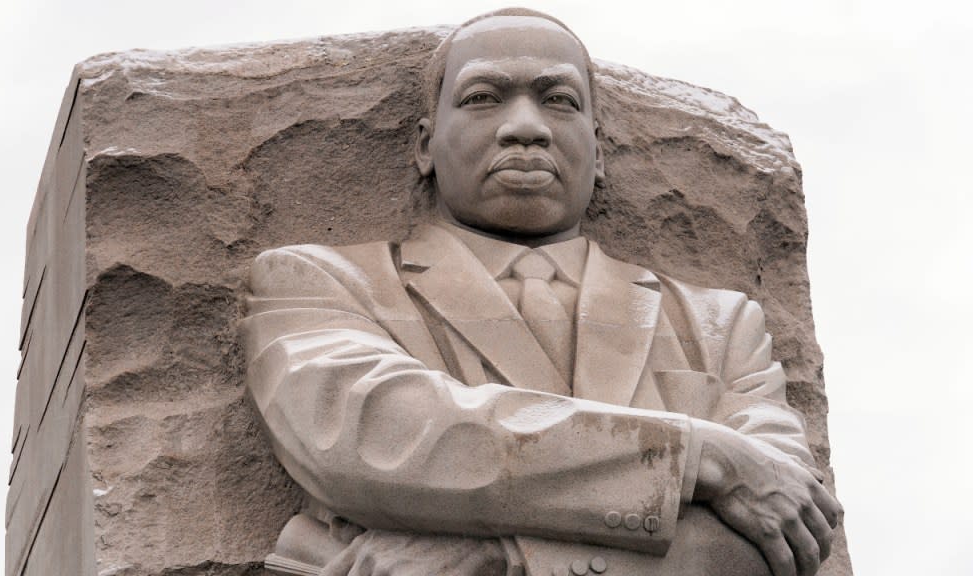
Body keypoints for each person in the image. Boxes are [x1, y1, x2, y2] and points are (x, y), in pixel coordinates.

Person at [242, 8, 842, 576]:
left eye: (559, 101)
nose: (525, 127)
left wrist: (503, 559)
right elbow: (372, 438)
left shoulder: (721, 325)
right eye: (482, 98)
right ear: (425, 144)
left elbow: (776, 537)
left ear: (599, 150)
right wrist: (703, 458)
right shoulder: (320, 283)